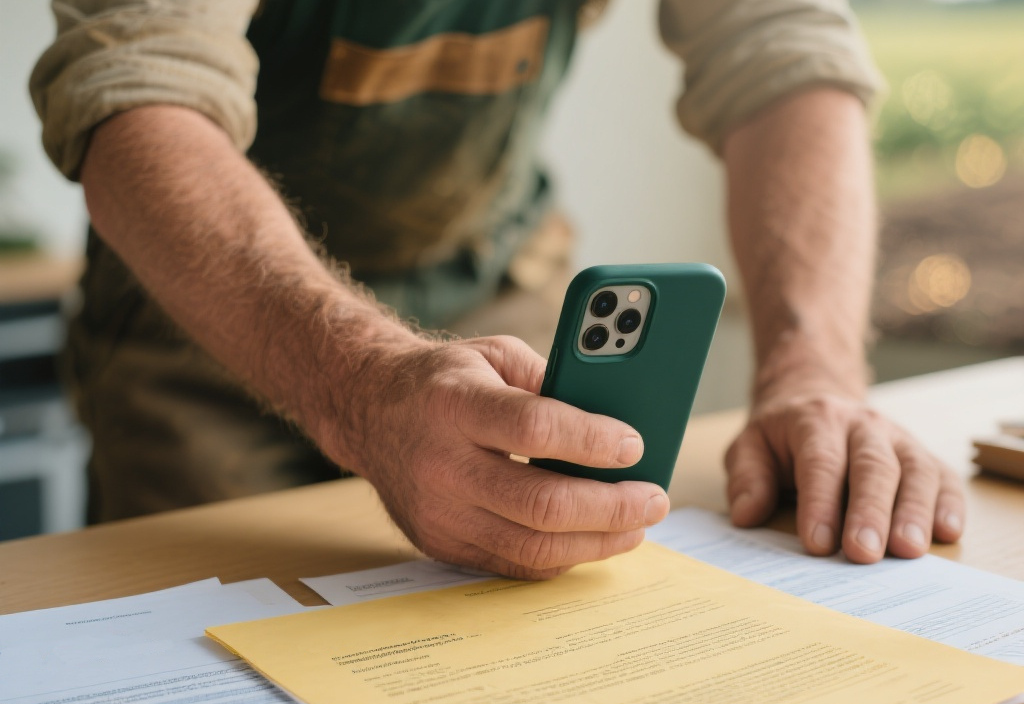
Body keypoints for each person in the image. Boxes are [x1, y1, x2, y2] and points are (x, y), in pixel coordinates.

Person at [30, 0, 965, 580]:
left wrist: (815, 371)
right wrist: (361, 385)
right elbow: (139, 92)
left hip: (500, 293)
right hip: (209, 324)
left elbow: (781, 47)